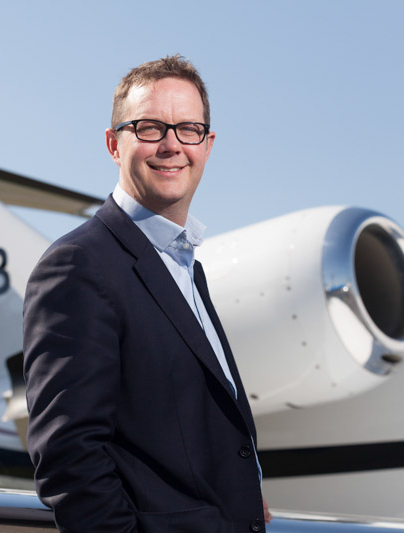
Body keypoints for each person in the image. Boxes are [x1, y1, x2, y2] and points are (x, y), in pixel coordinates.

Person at [23, 55, 270, 533]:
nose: (172, 145)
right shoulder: (78, 265)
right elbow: (69, 459)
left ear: (208, 144)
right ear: (115, 144)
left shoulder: (186, 268)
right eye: (151, 128)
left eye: (188, 129)